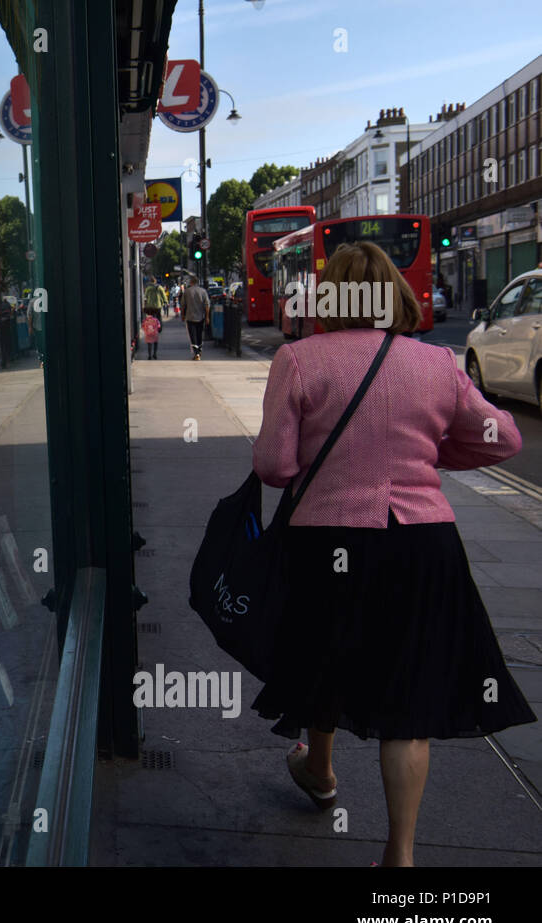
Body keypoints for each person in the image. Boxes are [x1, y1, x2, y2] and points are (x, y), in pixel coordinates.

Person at [249, 241, 536, 867]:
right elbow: (504, 436)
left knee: (327, 654)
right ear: (396, 295)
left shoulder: (298, 360)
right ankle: (400, 858)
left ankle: (320, 772)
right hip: (421, 544)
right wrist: (432, 456)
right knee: (410, 703)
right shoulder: (436, 364)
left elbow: (274, 466)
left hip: (326, 541)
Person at [180, 276, 210, 360]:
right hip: (201, 316)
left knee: (193, 335)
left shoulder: (187, 292)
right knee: (199, 334)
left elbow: (183, 305)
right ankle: (199, 351)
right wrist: (207, 317)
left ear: (191, 282)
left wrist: (182, 315)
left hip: (190, 316)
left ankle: (196, 353)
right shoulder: (203, 291)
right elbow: (207, 305)